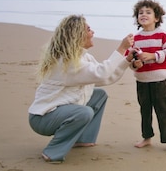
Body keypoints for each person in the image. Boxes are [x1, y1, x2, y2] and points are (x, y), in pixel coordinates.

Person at [28, 14, 137, 164]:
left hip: (57, 112)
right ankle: (52, 152)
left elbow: (104, 78)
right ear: (77, 34)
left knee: (99, 95)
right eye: (89, 29)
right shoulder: (67, 63)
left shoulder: (84, 57)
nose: (93, 33)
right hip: (42, 118)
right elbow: (102, 72)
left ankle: (84, 139)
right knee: (84, 112)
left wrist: (127, 60)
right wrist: (121, 48)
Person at [127, 0, 166, 153]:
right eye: (140, 12)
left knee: (164, 112)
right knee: (145, 111)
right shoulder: (136, 38)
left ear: (156, 18)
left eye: (148, 12)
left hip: (159, 81)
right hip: (142, 81)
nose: (143, 15)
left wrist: (153, 56)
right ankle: (147, 138)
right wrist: (134, 64)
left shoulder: (162, 35)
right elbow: (130, 59)